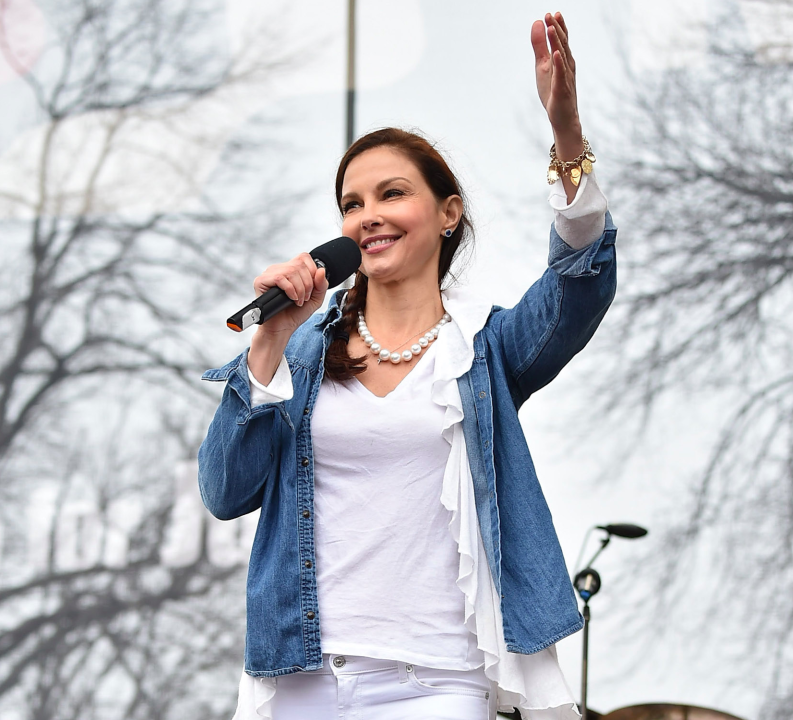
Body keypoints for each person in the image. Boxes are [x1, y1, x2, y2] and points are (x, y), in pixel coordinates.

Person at [197, 11, 616, 720]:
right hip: (304, 679)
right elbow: (225, 490)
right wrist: (268, 342)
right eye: (351, 204)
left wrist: (567, 135)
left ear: (448, 213)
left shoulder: (485, 349)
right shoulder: (300, 353)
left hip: (436, 680)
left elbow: (580, 284)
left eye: (392, 193)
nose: (368, 215)